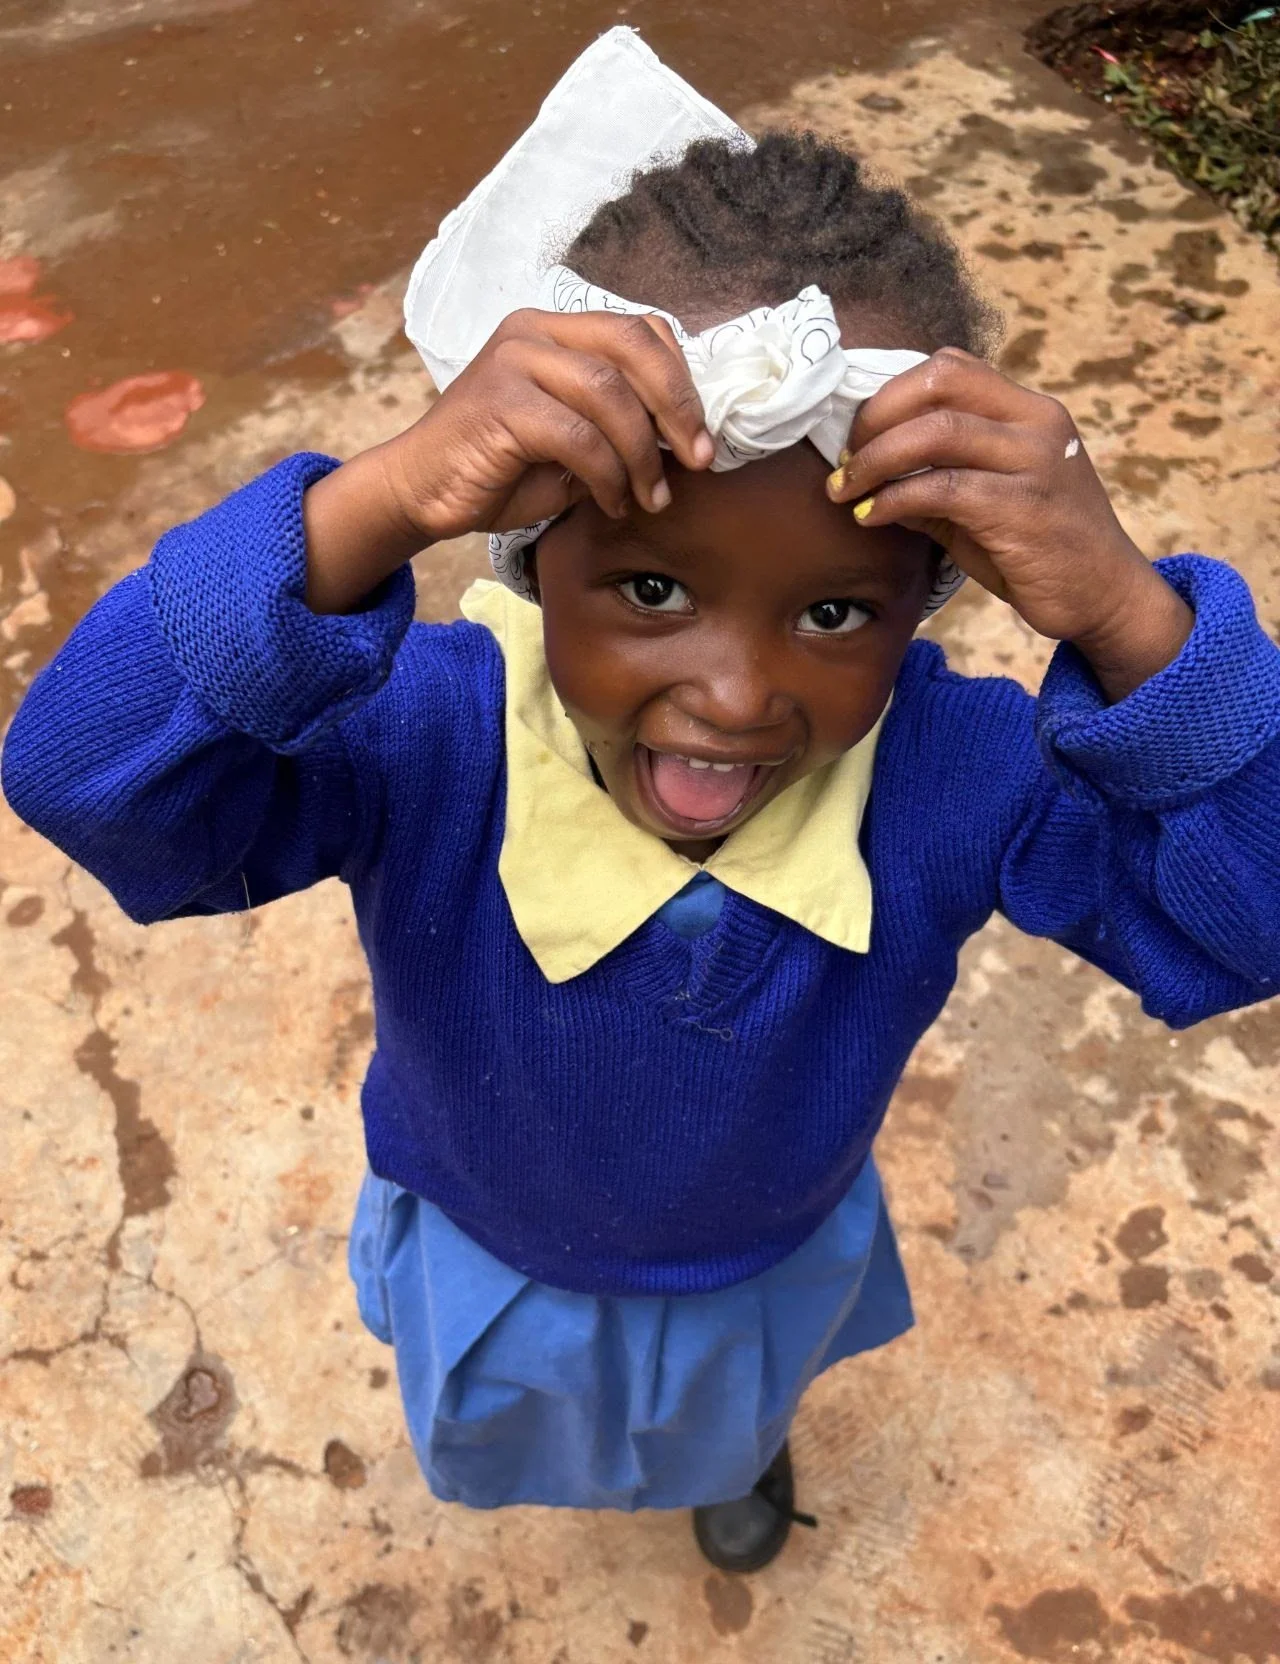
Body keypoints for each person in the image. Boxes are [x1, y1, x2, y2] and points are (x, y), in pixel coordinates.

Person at [5, 35, 1279, 1578]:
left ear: (938, 594)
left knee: (730, 1406)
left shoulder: (962, 781)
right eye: (653, 586)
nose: (737, 697)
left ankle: (738, 1449)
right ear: (529, 556)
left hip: (765, 1253)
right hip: (488, 1238)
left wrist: (1139, 628)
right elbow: (87, 775)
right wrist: (380, 496)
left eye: (836, 615)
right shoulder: (422, 736)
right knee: (514, 1418)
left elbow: (1243, 918)